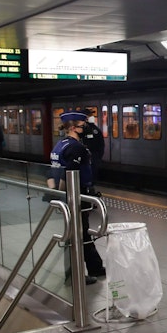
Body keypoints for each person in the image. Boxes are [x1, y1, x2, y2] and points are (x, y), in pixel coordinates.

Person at [49, 111, 105, 284]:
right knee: (78, 235)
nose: (86, 128)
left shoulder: (59, 145)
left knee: (81, 233)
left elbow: (51, 173)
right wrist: (64, 196)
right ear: (73, 128)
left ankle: (95, 267)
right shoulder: (76, 148)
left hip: (68, 196)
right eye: (83, 126)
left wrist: (56, 194)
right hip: (76, 195)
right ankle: (75, 274)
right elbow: (68, 175)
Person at [80, 108, 105, 181]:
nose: (92, 117)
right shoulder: (85, 129)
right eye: (90, 115)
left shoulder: (93, 129)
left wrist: (97, 157)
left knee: (91, 176)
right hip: (87, 158)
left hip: (92, 157)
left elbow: (100, 145)